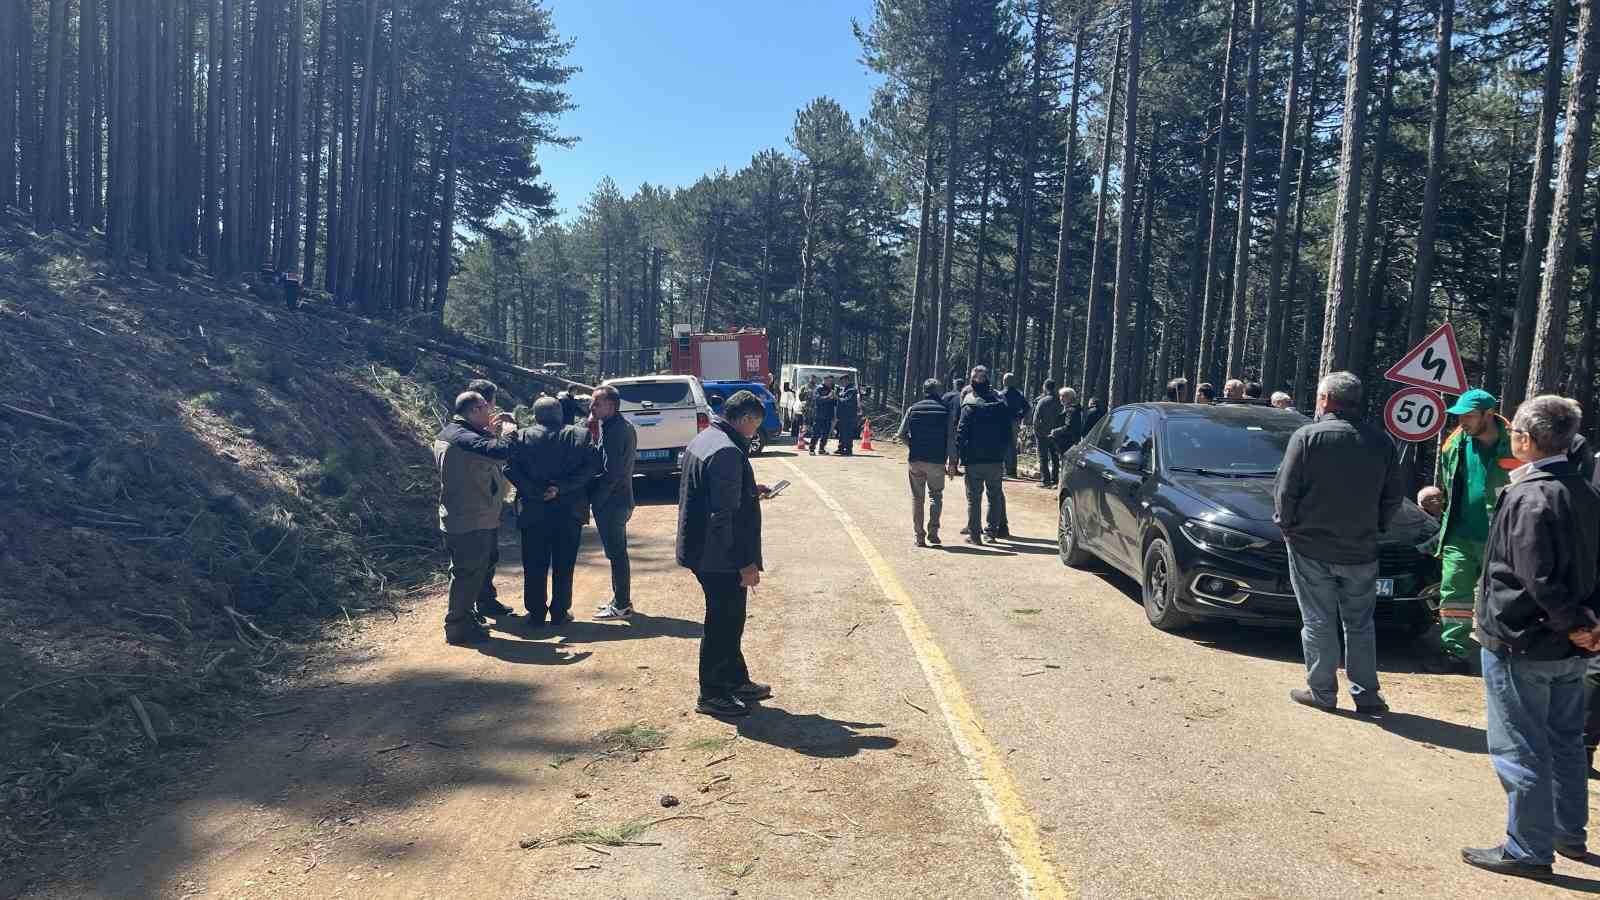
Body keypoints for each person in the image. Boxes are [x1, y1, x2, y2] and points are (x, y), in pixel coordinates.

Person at [1461, 395, 1600, 881]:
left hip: (1523, 641)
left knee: (1521, 746)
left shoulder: (1528, 495)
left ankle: (1528, 847)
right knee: (1564, 740)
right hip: (1568, 643)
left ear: (1526, 439)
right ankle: (1568, 832)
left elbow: (1537, 579)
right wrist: (1586, 626)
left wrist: (1576, 623)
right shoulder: (1583, 489)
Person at [1274, 372, 1402, 714]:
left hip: (1310, 547)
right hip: (1361, 548)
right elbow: (1393, 497)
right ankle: (1366, 694)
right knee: (1360, 623)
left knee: (1318, 620)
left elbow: (1286, 491)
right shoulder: (1381, 442)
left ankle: (1322, 692)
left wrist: (1286, 527)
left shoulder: (1307, 437)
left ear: (1326, 400)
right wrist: (1376, 527)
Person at [677, 391, 774, 718]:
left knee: (731, 619)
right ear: (745, 419)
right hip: (717, 556)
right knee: (722, 622)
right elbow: (723, 517)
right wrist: (744, 562)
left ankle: (734, 679)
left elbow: (712, 494)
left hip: (702, 548)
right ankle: (712, 693)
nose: (756, 431)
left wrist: (749, 491)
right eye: (756, 424)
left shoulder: (707, 438)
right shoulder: (727, 451)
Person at [1417, 389, 1519, 673]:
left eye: (1469, 415)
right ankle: (1455, 653)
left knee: (1500, 597)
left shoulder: (1518, 444)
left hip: (1503, 537)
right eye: (1460, 415)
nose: (1463, 420)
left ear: (1489, 414)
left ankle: (1502, 654)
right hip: (1460, 533)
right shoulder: (1455, 443)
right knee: (1454, 594)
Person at [432, 391, 517, 645]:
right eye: (485, 407)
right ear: (473, 411)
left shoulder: (454, 433)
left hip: (466, 515)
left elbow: (481, 455)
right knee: (467, 573)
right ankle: (458, 626)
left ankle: (467, 618)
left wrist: (489, 432)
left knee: (468, 572)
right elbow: (500, 452)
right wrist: (510, 431)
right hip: (470, 518)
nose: (490, 412)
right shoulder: (462, 438)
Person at [505, 397, 598, 628]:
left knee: (534, 564)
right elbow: (592, 468)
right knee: (564, 565)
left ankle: (536, 614)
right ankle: (559, 612)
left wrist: (535, 492)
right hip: (569, 511)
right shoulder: (580, 434)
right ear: (560, 413)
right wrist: (561, 489)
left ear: (535, 415)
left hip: (533, 510)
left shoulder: (521, 436)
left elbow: (509, 468)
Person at [465, 379, 517, 623]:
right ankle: (473, 607)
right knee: (476, 558)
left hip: (488, 501)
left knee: (488, 555)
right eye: (492, 404)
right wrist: (504, 434)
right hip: (479, 503)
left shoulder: (472, 429)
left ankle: (485, 600)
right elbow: (497, 453)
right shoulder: (469, 433)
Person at [589, 386, 638, 621]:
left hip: (613, 502)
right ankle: (619, 599)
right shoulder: (615, 425)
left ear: (611, 405)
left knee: (617, 554)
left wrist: (597, 499)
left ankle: (621, 604)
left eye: (596, 404)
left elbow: (613, 471)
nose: (592, 408)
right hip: (620, 499)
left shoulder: (616, 430)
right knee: (617, 553)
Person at [897, 378, 958, 547]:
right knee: (936, 496)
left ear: (924, 391)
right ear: (939, 392)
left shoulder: (913, 409)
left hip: (916, 460)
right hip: (937, 460)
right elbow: (951, 438)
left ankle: (919, 536)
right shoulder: (945, 411)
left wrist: (913, 445)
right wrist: (952, 462)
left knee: (918, 498)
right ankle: (933, 532)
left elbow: (901, 434)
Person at [956, 366, 1012, 544]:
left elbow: (961, 432)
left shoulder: (968, 402)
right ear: (989, 379)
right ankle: (991, 533)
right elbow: (1008, 432)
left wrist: (957, 456)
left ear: (972, 380)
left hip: (973, 459)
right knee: (994, 496)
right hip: (995, 458)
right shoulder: (1000, 402)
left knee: (974, 498)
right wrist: (1003, 452)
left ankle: (974, 535)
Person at [1032, 380, 1064, 488]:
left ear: (1045, 387)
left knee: (1043, 457)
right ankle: (1055, 480)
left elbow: (1036, 419)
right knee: (1055, 457)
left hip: (1043, 433)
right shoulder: (1060, 401)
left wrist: (1036, 431)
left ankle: (1045, 480)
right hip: (1056, 434)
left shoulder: (1042, 401)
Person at [1001, 372, 1029, 479]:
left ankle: (1004, 469)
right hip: (1014, 422)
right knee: (1012, 445)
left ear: (1005, 381)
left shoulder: (1001, 394)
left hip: (1003, 422)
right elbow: (1027, 407)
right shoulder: (1019, 394)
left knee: (1003, 445)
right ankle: (1012, 470)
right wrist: (1020, 416)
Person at [1050, 387, 1085, 458]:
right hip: (1064, 443)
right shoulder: (1068, 409)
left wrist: (1055, 431)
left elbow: (1069, 427)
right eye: (1060, 396)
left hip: (1068, 444)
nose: (1061, 398)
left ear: (1071, 398)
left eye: (1064, 396)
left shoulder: (1072, 410)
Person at [810, 375, 837, 456]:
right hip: (819, 415)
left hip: (828, 415)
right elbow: (817, 400)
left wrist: (835, 398)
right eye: (829, 381)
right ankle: (812, 448)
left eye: (831, 381)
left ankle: (822, 449)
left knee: (826, 433)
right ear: (824, 380)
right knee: (816, 432)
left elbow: (834, 403)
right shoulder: (819, 389)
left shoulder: (832, 389)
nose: (830, 382)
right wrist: (828, 397)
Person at [835, 373, 861, 456]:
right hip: (842, 415)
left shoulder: (852, 390)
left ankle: (848, 449)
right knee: (842, 432)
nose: (842, 383)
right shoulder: (844, 389)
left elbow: (847, 401)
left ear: (847, 380)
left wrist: (838, 398)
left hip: (849, 416)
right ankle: (841, 448)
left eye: (843, 381)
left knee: (848, 433)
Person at [797, 375, 817, 440]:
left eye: (814, 379)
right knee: (806, 421)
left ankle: (811, 433)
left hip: (814, 407)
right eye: (812, 378)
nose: (813, 380)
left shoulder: (817, 387)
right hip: (806, 407)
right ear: (809, 379)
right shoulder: (804, 387)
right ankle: (805, 433)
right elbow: (800, 397)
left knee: (812, 421)